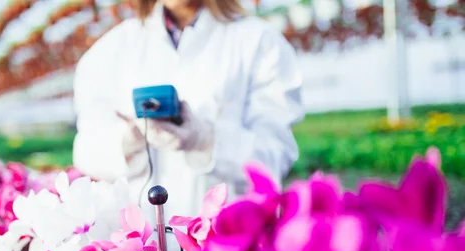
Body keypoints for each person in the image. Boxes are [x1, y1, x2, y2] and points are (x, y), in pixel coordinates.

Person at [72, 0, 304, 222]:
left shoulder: (260, 42)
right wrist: (128, 142)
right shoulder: (110, 51)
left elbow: (276, 155)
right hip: (144, 248)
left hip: (229, 239)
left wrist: (206, 140)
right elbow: (86, 153)